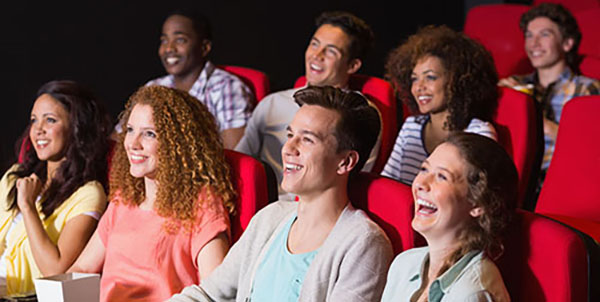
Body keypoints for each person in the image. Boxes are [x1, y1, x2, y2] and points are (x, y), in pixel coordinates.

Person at [171, 86, 393, 302]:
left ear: (345, 161)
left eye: (307, 139)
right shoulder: (270, 218)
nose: (288, 148)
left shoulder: (364, 244)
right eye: (290, 135)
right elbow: (208, 295)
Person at [69, 86, 236, 301]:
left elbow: (215, 292)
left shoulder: (202, 204)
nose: (133, 144)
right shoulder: (124, 198)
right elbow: (83, 267)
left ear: (177, 144)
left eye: (149, 133)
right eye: (130, 130)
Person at [235, 11, 380, 200]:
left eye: (331, 51)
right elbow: (240, 163)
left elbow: (350, 182)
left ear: (352, 65)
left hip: (311, 210)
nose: (316, 56)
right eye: (314, 44)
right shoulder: (272, 103)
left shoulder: (358, 116)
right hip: (258, 205)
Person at [0, 80, 110, 297]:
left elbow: (56, 271)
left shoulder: (88, 193)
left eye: (50, 120)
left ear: (76, 128)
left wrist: (28, 207)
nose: (38, 130)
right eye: (34, 120)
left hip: (26, 295)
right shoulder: (14, 177)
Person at [381, 132, 515, 302]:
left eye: (442, 177)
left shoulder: (471, 293)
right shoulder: (404, 264)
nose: (420, 183)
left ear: (477, 204)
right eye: (424, 169)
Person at [498, 3, 600, 187]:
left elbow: (590, 150)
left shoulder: (588, 90)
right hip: (511, 182)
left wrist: (537, 120)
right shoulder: (514, 85)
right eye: (529, 35)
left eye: (544, 34)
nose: (533, 43)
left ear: (567, 43)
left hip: (562, 183)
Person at [382, 25, 499, 185]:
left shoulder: (478, 132)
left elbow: (479, 197)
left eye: (430, 77)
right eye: (414, 78)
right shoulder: (411, 126)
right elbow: (388, 182)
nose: (419, 87)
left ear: (457, 81)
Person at [146, 9, 254, 149]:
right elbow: (119, 138)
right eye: (164, 40)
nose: (169, 48)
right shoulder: (153, 87)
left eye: (180, 40)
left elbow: (236, 154)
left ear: (204, 48)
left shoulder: (226, 87)